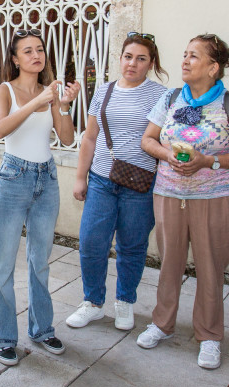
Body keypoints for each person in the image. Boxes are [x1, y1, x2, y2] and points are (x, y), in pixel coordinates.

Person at [136, 34, 229, 369]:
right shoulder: (172, 98)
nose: (185, 61)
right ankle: (162, 323)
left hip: (215, 196)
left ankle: (209, 336)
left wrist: (209, 161)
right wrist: (166, 153)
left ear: (213, 67)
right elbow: (148, 139)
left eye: (194, 56)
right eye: (185, 54)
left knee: (210, 268)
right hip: (169, 192)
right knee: (169, 262)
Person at [0, 27, 80, 366]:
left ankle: (41, 329)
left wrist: (63, 106)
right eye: (27, 51)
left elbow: (67, 138)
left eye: (39, 49)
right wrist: (37, 103)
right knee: (4, 264)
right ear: (14, 59)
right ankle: (3, 337)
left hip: (46, 179)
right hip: (13, 178)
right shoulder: (4, 90)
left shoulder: (50, 92)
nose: (35, 55)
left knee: (40, 261)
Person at [67, 33, 168, 333]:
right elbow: (89, 137)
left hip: (140, 183)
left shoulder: (161, 96)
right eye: (128, 57)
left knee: (132, 246)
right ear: (120, 58)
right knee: (91, 242)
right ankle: (93, 303)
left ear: (151, 64)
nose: (132, 64)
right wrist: (79, 177)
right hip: (101, 179)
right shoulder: (104, 91)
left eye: (140, 59)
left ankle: (125, 302)